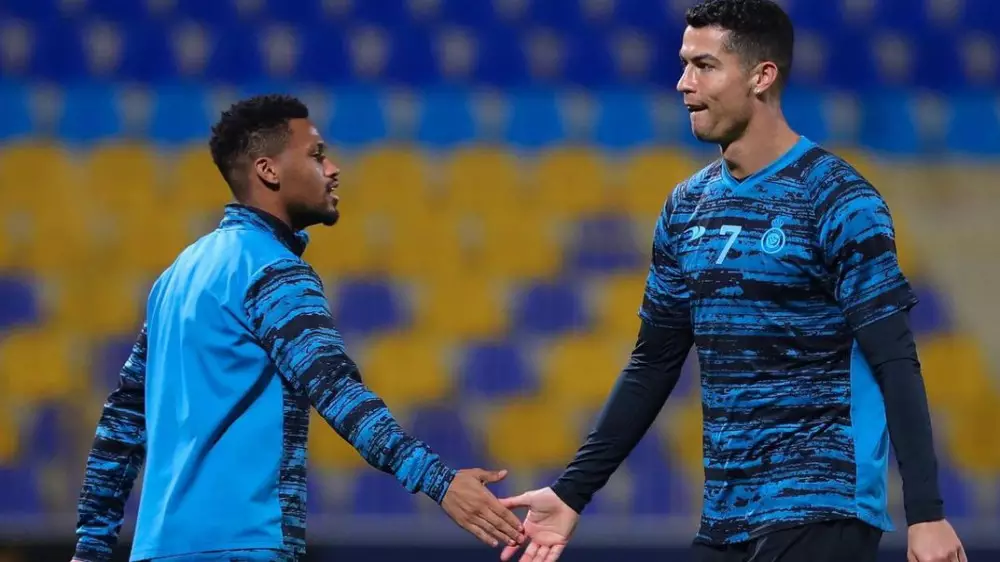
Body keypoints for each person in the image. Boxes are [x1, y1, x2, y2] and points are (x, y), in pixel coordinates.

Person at [497, 1, 967, 562]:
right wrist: (572, 491)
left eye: (704, 66)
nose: (683, 83)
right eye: (684, 64)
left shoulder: (839, 199)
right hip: (726, 515)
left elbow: (894, 359)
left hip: (822, 504)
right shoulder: (686, 207)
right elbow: (653, 364)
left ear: (761, 76)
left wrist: (927, 514)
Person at [70, 94, 523, 562]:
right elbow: (336, 391)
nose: (333, 169)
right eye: (317, 155)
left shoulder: (177, 276)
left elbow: (122, 423)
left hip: (159, 550)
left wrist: (90, 549)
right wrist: (439, 481)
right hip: (244, 545)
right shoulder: (273, 270)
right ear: (268, 170)